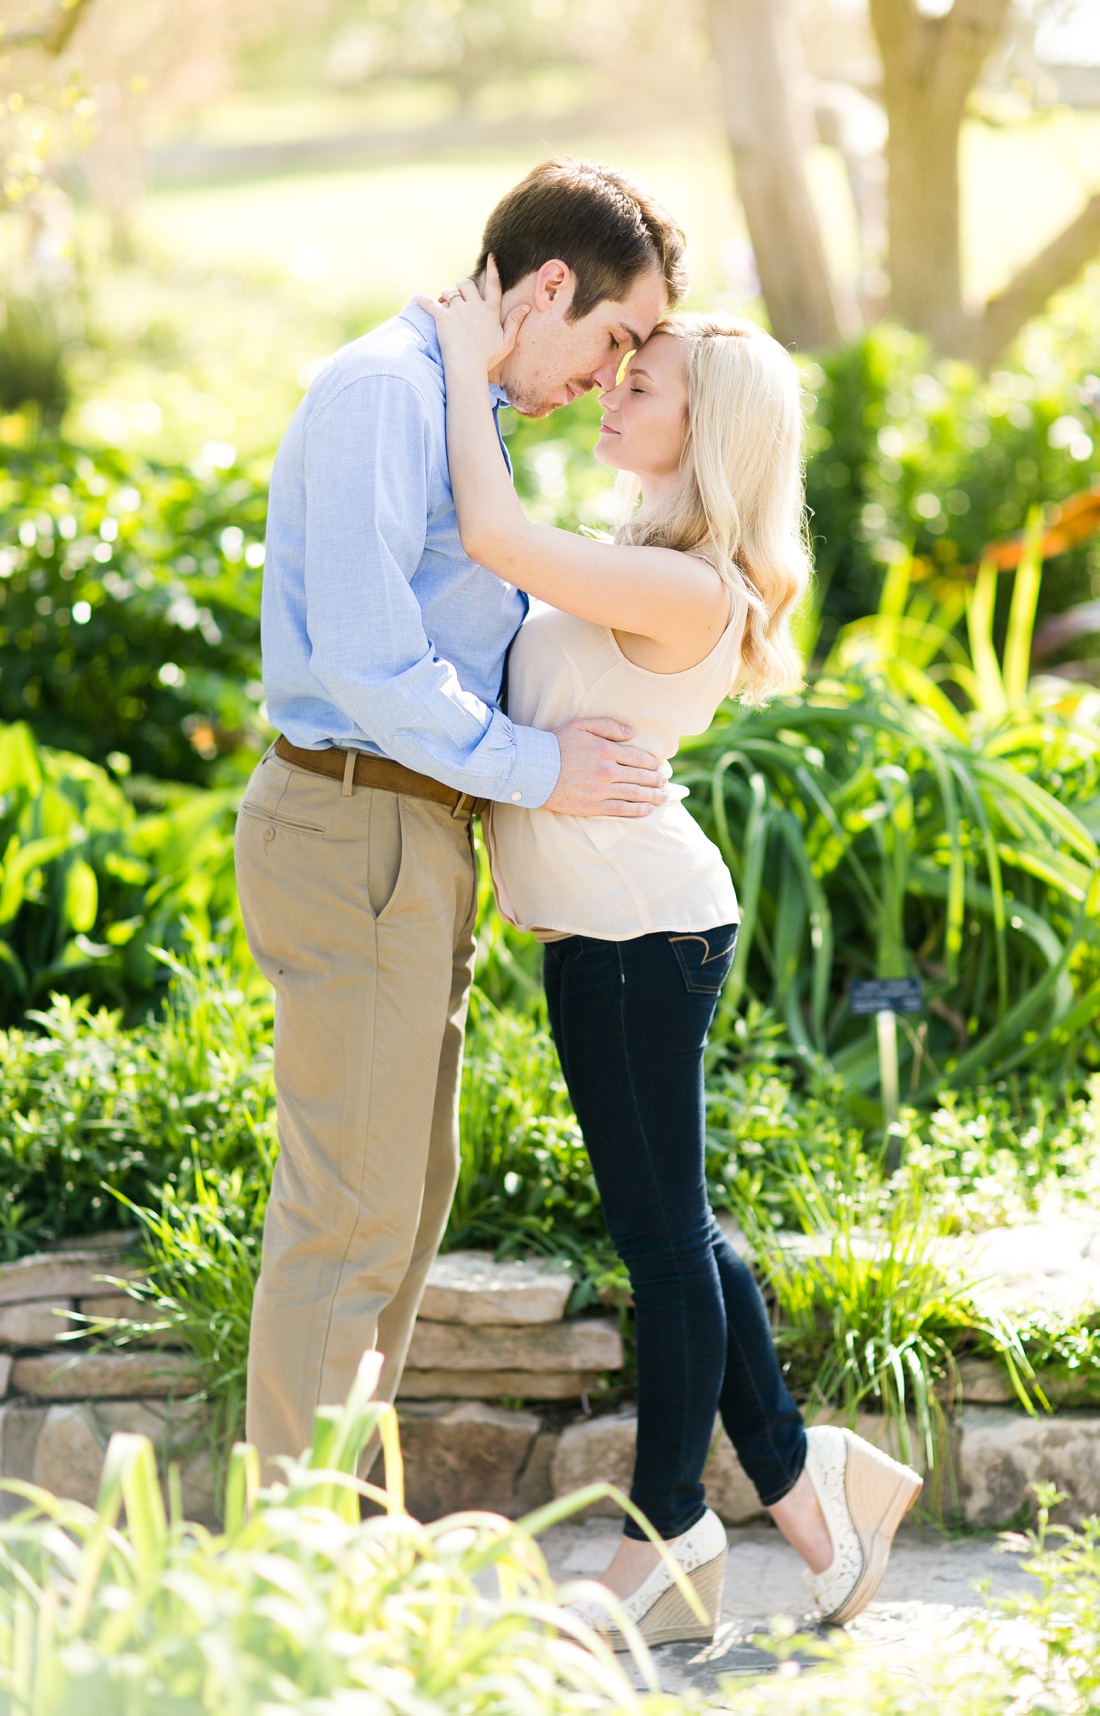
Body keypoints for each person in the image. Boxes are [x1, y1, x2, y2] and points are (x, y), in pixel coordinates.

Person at [417, 267, 922, 1646]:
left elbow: (489, 527)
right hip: (615, 930)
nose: (615, 388)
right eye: (619, 370)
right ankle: (814, 1511)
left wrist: (468, 365)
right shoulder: (648, 552)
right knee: (683, 1228)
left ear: (709, 436)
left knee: (662, 1240)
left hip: (640, 935)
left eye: (644, 383)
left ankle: (663, 1530)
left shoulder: (684, 586)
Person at [236, 159, 688, 1481]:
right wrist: (541, 770)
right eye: (611, 338)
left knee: (401, 1217)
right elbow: (377, 665)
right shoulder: (389, 389)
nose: (607, 376)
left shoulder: (448, 396)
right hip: (358, 818)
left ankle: (343, 1556)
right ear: (549, 286)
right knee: (351, 1224)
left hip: (404, 833)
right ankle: (289, 1597)